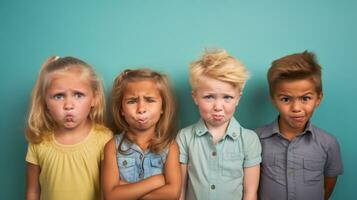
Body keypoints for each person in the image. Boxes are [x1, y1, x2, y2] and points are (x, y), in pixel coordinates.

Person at [256, 51, 343, 200]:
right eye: (285, 99)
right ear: (273, 100)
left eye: (305, 98)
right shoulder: (255, 139)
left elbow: (328, 184)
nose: (296, 108)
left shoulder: (328, 143)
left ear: (318, 98)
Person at [177, 49, 262, 200]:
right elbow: (180, 190)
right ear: (195, 97)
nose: (218, 106)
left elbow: (250, 193)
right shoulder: (184, 137)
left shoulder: (249, 139)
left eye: (227, 97)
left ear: (238, 98)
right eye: (209, 97)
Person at [25, 56, 112, 200]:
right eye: (58, 96)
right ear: (45, 102)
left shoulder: (104, 139)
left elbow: (106, 192)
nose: (68, 105)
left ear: (94, 98)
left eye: (78, 95)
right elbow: (32, 191)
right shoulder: (38, 140)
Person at [102, 69, 181, 200]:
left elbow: (173, 194)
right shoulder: (112, 147)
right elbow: (111, 196)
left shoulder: (170, 146)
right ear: (121, 109)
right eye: (132, 101)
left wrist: (125, 191)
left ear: (162, 107)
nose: (141, 109)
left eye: (150, 100)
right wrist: (156, 181)